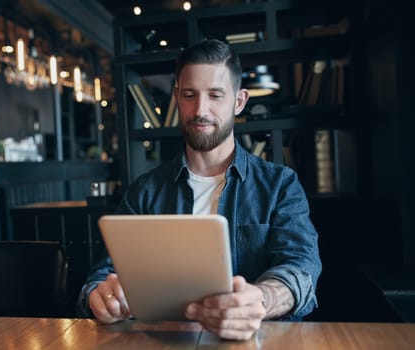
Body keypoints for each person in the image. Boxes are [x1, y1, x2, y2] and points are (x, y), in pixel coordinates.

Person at [77, 39, 321, 341]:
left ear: (239, 101)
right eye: (189, 95)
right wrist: (100, 296)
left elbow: (301, 269)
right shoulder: (144, 192)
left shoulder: (279, 184)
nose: (200, 110)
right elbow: (102, 275)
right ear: (177, 97)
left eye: (215, 95)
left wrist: (260, 299)